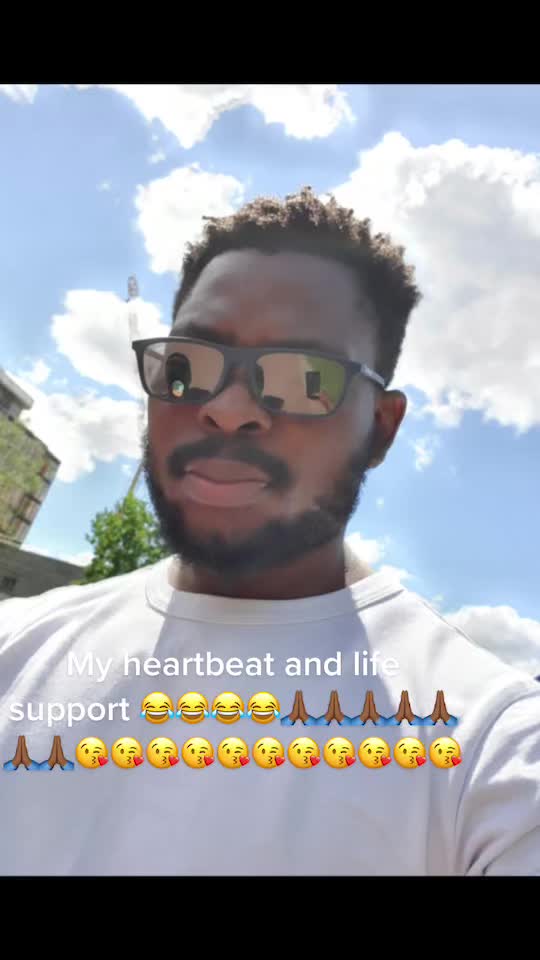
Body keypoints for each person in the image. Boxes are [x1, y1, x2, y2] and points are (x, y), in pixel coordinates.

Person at [1, 187, 538, 876]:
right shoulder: (17, 647)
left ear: (381, 429)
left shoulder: (489, 747)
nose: (229, 410)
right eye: (188, 366)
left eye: (303, 379)